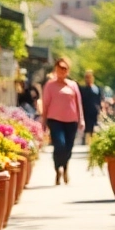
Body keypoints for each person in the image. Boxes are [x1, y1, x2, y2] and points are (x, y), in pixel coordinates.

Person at [40, 57, 83, 186]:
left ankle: (65, 168)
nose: (62, 71)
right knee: (59, 144)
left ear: (68, 70)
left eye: (65, 69)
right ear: (56, 70)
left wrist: (81, 120)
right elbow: (46, 104)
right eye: (60, 69)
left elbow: (78, 103)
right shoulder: (50, 85)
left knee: (69, 147)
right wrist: (43, 121)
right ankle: (57, 168)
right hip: (55, 120)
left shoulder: (73, 85)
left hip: (71, 120)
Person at [80, 70, 103, 145]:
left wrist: (101, 109)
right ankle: (87, 142)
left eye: (89, 77)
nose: (88, 79)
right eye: (86, 77)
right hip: (85, 111)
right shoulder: (82, 89)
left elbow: (99, 100)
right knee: (87, 127)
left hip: (94, 111)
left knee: (94, 127)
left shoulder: (97, 89)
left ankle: (93, 142)